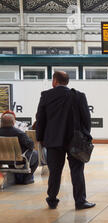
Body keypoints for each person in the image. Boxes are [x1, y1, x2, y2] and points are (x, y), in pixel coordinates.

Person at [35, 71, 95, 210]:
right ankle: (80, 201)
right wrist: (85, 136)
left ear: (54, 81)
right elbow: (87, 120)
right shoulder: (78, 96)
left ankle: (52, 199)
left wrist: (40, 138)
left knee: (54, 171)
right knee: (77, 171)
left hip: (53, 140)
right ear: (67, 82)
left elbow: (41, 120)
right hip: (75, 140)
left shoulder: (46, 96)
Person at [0, 113, 38, 184]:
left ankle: (16, 177)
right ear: (13, 122)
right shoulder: (19, 133)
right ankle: (27, 178)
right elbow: (31, 145)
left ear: (1, 122)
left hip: (1, 160)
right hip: (17, 160)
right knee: (36, 154)